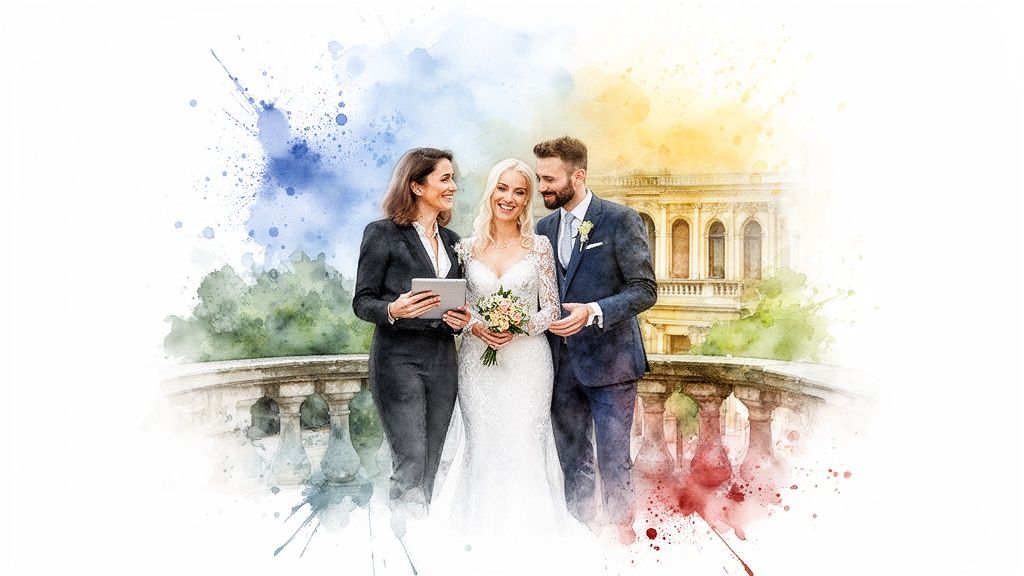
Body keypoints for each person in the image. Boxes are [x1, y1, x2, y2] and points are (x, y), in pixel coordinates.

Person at [430, 158, 581, 569]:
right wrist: (478, 327)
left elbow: (550, 308)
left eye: (519, 191)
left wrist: (518, 327)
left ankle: (530, 550)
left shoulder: (540, 247)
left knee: (525, 444)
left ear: (527, 199)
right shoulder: (464, 248)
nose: (509, 198)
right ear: (490, 191)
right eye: (502, 188)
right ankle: (477, 544)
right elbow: (457, 311)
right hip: (477, 364)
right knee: (483, 444)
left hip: (528, 363)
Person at [534, 136, 657, 544]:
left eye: (549, 179)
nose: (542, 188)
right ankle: (581, 533)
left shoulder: (621, 220)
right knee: (573, 458)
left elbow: (644, 289)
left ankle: (623, 538)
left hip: (613, 365)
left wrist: (594, 311)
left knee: (613, 459)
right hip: (559, 366)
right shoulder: (543, 228)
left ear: (578, 175)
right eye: (539, 179)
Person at [352, 147, 472, 536]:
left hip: (442, 360)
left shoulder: (455, 241)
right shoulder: (382, 233)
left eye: (453, 178)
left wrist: (458, 320)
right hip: (397, 359)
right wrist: (394, 309)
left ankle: (419, 537)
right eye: (444, 179)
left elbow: (457, 300)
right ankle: (401, 539)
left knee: (433, 454)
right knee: (411, 456)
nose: (453, 186)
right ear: (417, 185)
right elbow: (362, 301)